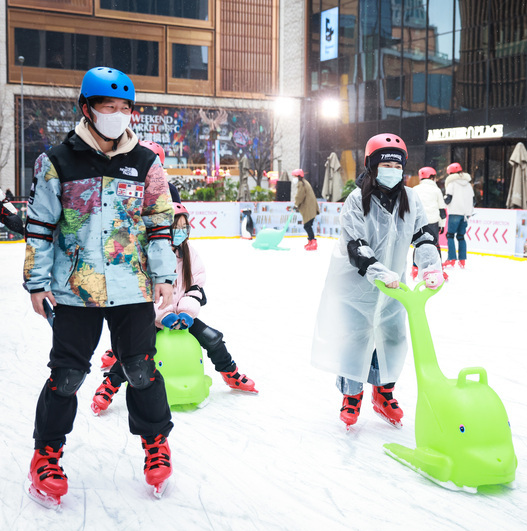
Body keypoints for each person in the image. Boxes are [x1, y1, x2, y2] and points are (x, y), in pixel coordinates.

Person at [23, 66, 176, 505]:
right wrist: (36, 281)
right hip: (76, 288)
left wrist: (165, 275)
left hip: (133, 287)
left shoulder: (147, 163)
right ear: (86, 109)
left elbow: (160, 224)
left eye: (124, 107)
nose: (117, 114)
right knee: (67, 375)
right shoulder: (56, 160)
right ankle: (46, 453)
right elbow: (39, 226)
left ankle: (156, 444)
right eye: (108, 106)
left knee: (141, 370)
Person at [310, 133, 444, 430]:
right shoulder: (357, 200)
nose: (392, 170)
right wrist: (376, 270)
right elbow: (355, 245)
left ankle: (383, 393)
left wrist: (430, 266)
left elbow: (423, 235)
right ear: (372, 165)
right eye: (386, 164)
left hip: (395, 286)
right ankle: (352, 395)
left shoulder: (411, 199)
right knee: (356, 340)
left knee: (393, 339)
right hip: (357, 285)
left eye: (397, 166)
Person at [91, 201, 259, 414]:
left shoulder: (188, 252)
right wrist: (164, 315)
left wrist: (187, 313)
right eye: (174, 227)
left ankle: (230, 373)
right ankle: (109, 385)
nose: (180, 232)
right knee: (137, 352)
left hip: (182, 314)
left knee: (212, 337)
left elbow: (195, 285)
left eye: (183, 227)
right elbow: (144, 293)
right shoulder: (147, 253)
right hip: (152, 317)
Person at [411, 166, 447, 280]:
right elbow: (442, 210)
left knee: (418, 245)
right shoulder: (436, 190)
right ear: (432, 177)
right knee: (435, 246)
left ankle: (415, 268)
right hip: (432, 222)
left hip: (418, 222)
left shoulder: (415, 189)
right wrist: (442, 225)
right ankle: (438, 270)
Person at [443, 162, 474, 268]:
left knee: (450, 235)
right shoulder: (469, 185)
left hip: (455, 213)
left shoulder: (452, 184)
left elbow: (448, 199)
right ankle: (462, 260)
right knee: (461, 236)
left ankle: (451, 258)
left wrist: (442, 201)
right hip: (466, 214)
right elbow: (473, 200)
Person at [293, 168, 320, 250]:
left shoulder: (301, 184)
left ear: (298, 176)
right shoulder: (305, 182)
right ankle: (311, 241)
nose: (293, 178)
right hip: (311, 207)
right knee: (308, 225)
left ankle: (313, 241)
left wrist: (296, 205)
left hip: (309, 208)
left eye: (294, 176)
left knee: (307, 226)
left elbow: (300, 195)